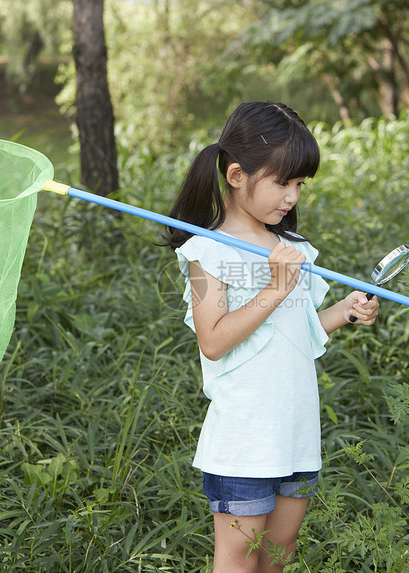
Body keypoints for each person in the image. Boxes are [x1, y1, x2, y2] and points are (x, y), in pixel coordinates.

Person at [161, 101, 379, 572]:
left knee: (279, 554)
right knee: (240, 558)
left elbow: (296, 335)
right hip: (245, 438)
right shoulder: (203, 254)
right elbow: (213, 341)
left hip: (296, 429)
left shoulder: (292, 250)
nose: (292, 197)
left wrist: (344, 311)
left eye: (299, 184)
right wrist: (276, 286)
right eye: (283, 182)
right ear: (237, 175)